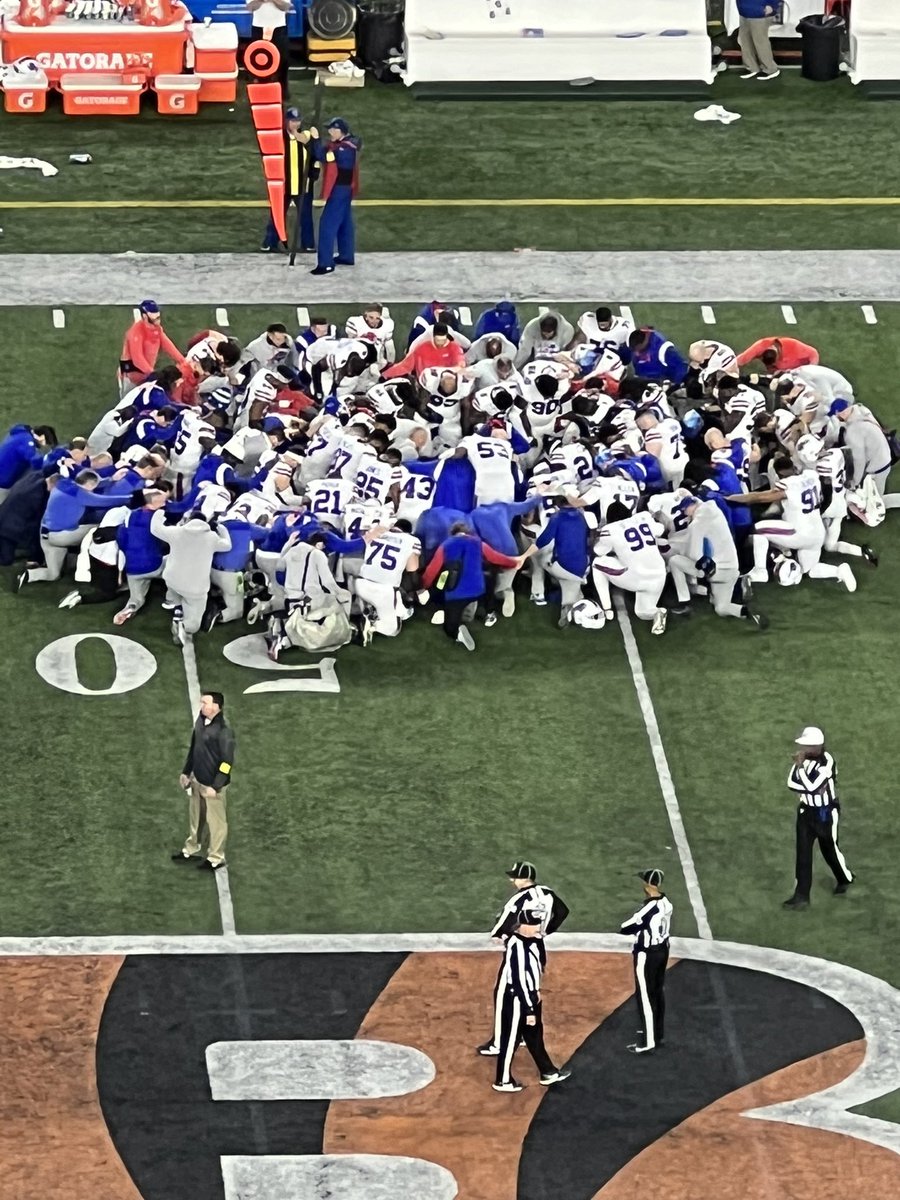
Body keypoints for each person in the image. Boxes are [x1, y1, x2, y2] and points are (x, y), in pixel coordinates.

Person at [478, 860, 569, 1058]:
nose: (512, 880)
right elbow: (563, 912)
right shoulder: (547, 893)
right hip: (538, 947)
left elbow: (505, 922)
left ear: (522, 878)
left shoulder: (519, 899)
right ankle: (523, 1034)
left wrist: (498, 934)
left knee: (504, 993)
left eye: (515, 877)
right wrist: (546, 930)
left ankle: (500, 1043)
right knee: (533, 988)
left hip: (518, 945)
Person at [492, 908, 572, 1093]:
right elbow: (519, 979)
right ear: (522, 926)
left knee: (534, 1035)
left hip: (531, 995)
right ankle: (502, 1080)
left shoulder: (532, 941)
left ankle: (548, 1071)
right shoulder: (517, 946)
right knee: (510, 1039)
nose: (537, 928)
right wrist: (529, 1009)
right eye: (533, 925)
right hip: (518, 999)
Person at [420, 520, 523, 651]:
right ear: (467, 532)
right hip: (478, 590)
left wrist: (423, 586)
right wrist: (514, 562)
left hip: (455, 594)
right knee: (489, 578)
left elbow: (432, 570)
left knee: (449, 627)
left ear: (453, 534)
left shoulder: (445, 545)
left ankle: (457, 632)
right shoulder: (477, 542)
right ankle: (489, 613)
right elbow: (496, 558)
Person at [783, 726, 853, 909]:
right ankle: (801, 896)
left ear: (816, 746)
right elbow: (791, 783)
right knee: (803, 853)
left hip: (825, 812)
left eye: (807, 746)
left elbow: (812, 786)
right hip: (806, 812)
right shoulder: (803, 760)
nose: (804, 749)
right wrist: (801, 774)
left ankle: (844, 878)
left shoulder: (827, 761)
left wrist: (800, 770)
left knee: (829, 849)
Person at [150, 508, 232, 646]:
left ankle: (174, 606)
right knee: (194, 625)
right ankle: (184, 627)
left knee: (174, 589)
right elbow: (227, 546)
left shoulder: (176, 532)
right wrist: (222, 529)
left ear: (188, 520)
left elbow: (155, 529)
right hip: (196, 588)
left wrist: (159, 513)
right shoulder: (211, 537)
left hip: (172, 580)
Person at [173, 691, 235, 872]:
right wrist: (186, 772)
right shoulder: (200, 722)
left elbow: (227, 763)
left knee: (216, 823)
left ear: (216, 706)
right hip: (197, 780)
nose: (202, 706)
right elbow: (194, 748)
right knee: (196, 818)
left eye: (205, 703)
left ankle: (216, 858)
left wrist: (216, 786)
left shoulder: (224, 732)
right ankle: (192, 848)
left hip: (212, 786)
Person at [620, 868, 672, 1054]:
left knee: (645, 996)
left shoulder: (649, 908)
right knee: (657, 992)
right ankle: (658, 1033)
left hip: (646, 954)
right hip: (663, 951)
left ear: (648, 885)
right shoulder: (667, 903)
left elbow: (626, 927)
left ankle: (648, 1041)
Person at [260, 107, 320, 254]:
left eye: (298, 121)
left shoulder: (305, 135)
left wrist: (313, 174)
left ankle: (308, 244)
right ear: (286, 121)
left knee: (305, 216)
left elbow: (316, 156)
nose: (296, 124)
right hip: (283, 185)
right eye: (293, 121)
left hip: (302, 185)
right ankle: (270, 242)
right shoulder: (279, 138)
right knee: (277, 215)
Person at [311, 117, 360, 276]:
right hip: (345, 190)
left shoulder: (343, 149)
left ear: (341, 131)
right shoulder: (342, 146)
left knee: (327, 225)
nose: (330, 132)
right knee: (345, 223)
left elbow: (323, 156)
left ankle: (325, 264)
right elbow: (322, 152)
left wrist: (316, 139)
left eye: (333, 129)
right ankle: (346, 255)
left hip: (339, 190)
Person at [119, 301, 186, 390]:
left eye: (158, 317)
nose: (158, 321)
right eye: (155, 318)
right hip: (132, 377)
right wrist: (153, 374)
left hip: (147, 375)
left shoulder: (157, 329)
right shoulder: (135, 333)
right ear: (145, 316)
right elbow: (137, 359)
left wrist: (183, 361)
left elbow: (168, 345)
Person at [246, 0, 293, 94]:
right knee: (259, 63)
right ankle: (262, 91)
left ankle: (283, 92)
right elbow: (250, 7)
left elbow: (286, 6)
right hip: (258, 28)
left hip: (279, 28)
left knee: (283, 60)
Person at [736, 0, 781, 81]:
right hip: (744, 12)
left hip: (760, 12)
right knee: (745, 41)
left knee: (760, 42)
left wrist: (773, 6)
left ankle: (770, 69)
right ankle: (752, 67)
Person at [736, 335, 818, 371]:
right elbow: (741, 360)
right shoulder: (761, 346)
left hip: (797, 370)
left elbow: (813, 354)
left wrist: (811, 370)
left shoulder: (793, 346)